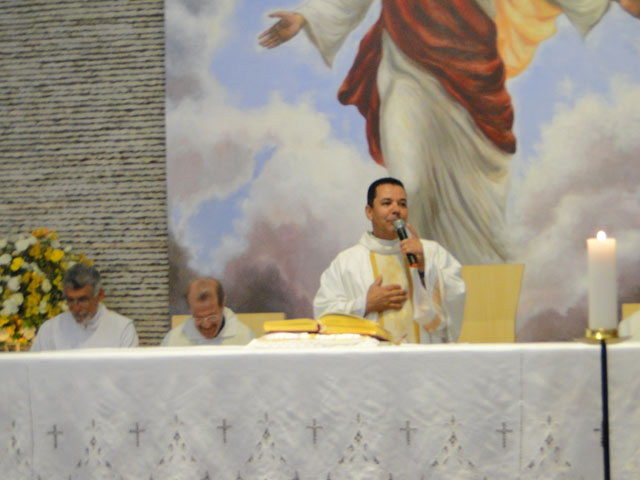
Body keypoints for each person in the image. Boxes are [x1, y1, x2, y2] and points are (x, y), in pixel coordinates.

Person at [258, 0, 640, 265]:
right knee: (410, 184)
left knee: (477, 206)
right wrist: (306, 17)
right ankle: (411, 283)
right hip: (406, 69)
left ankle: (474, 287)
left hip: (471, 75)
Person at [313, 178, 466, 343]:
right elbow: (324, 314)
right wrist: (365, 304)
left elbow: (455, 296)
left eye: (402, 204)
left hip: (422, 355)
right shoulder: (347, 262)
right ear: (369, 212)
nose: (396, 210)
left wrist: (424, 269)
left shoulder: (430, 252)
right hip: (372, 357)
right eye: (387, 203)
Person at [30, 263, 139, 351]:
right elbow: (34, 369)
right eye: (70, 300)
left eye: (82, 300)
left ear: (100, 295)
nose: (76, 308)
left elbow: (130, 371)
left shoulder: (123, 330)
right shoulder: (50, 330)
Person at [161, 277, 254, 346]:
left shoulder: (246, 339)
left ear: (222, 304)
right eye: (199, 318)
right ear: (190, 310)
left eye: (211, 317)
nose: (206, 325)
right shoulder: (172, 342)